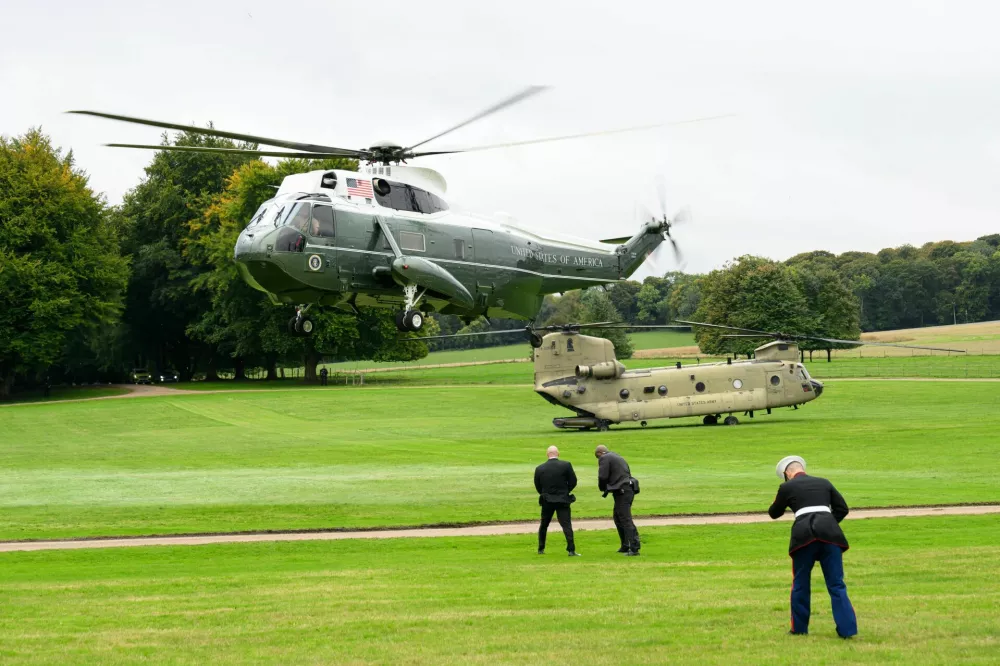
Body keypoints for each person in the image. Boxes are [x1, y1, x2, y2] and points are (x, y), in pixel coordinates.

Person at [769, 455, 858, 638]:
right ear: (802, 468)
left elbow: (774, 513)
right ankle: (847, 631)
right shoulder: (824, 482)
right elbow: (843, 508)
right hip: (831, 535)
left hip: (804, 537)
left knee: (800, 583)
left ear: (787, 473)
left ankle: (799, 629)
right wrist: (829, 523)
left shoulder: (787, 486)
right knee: (836, 584)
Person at [534, 446, 580, 556]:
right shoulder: (566, 465)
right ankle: (571, 550)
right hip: (562, 500)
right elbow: (573, 481)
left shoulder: (540, 468)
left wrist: (544, 493)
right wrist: (565, 491)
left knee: (544, 524)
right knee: (566, 525)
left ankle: (541, 548)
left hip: (547, 500)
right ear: (558, 453)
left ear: (547, 454)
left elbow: (538, 485)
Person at [595, 445, 640, 555]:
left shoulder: (604, 458)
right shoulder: (617, 456)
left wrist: (602, 488)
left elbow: (603, 476)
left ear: (600, 453)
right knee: (618, 517)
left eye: (597, 457)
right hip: (627, 489)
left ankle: (634, 547)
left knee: (625, 519)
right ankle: (625, 545)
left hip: (622, 491)